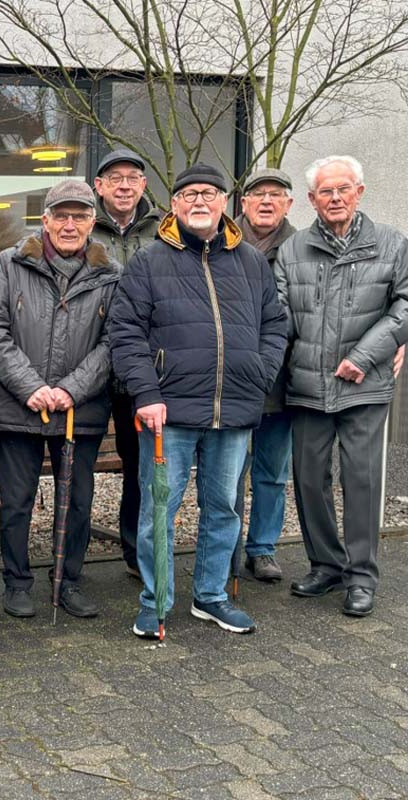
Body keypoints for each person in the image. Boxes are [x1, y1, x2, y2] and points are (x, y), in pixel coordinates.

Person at [109, 163, 287, 639]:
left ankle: (211, 597)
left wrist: (259, 374)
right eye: (189, 194)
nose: (199, 201)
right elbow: (125, 332)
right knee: (159, 511)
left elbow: (275, 325)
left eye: (209, 193)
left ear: (225, 202)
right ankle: (156, 600)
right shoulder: (148, 261)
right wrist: (146, 391)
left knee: (224, 509)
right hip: (168, 412)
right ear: (175, 204)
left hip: (234, 410)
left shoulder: (250, 261)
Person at [275, 155, 408, 618]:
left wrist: (364, 355)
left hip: (364, 385)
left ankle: (361, 577)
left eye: (343, 189)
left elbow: (404, 306)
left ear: (359, 192)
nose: (335, 198)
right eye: (325, 192)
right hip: (308, 386)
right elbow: (279, 317)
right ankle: (327, 566)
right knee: (309, 480)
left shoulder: (391, 244)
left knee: (362, 482)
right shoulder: (293, 251)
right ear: (311, 200)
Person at [0, 180, 120, 619]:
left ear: (91, 223)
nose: (69, 224)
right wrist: (32, 388)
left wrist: (70, 390)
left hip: (80, 410)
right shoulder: (10, 262)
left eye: (79, 216)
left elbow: (114, 343)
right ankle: (16, 581)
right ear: (45, 221)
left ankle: (69, 580)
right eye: (61, 215)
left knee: (77, 500)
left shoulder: (110, 272)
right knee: (16, 500)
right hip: (17, 405)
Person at [91, 148, 161, 580]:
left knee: (140, 465)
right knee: (77, 466)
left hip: (141, 372)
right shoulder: (82, 226)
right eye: (114, 178)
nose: (123, 185)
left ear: (143, 185)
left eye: (132, 177)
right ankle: (70, 559)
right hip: (90, 366)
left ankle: (138, 551)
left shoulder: (164, 230)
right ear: (99, 186)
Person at [232, 167, 298, 583]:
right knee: (228, 472)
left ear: (289, 204)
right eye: (258, 194)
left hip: (281, 379)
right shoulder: (221, 242)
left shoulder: (302, 248)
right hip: (231, 379)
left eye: (276, 195)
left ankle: (262, 549)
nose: (267, 201)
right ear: (243, 203)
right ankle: (226, 546)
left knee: (272, 472)